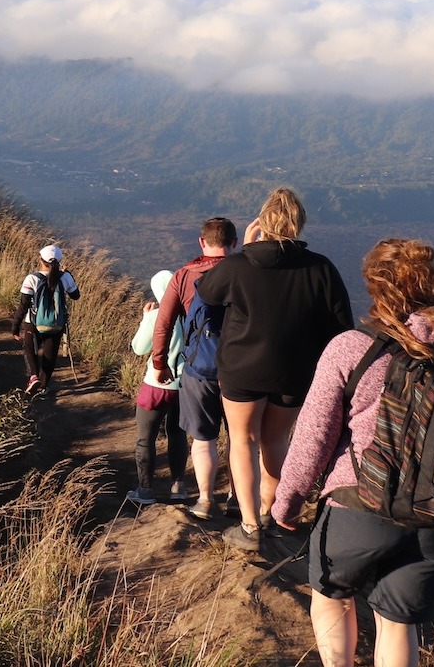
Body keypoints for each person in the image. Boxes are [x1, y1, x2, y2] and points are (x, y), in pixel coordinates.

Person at [272, 238, 434, 667]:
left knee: (331, 597)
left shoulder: (353, 348)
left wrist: (287, 499)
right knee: (398, 625)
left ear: (377, 287)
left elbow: (314, 435)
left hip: (360, 509)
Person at [197, 188, 353, 553]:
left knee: (242, 440)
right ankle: (271, 514)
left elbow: (207, 292)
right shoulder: (321, 268)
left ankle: (249, 528)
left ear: (262, 221)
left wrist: (245, 250)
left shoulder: (238, 265)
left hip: (241, 370)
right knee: (276, 441)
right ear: (299, 223)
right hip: (295, 373)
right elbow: (342, 327)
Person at [150, 216, 238, 518]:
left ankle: (205, 500)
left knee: (204, 439)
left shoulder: (185, 275)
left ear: (202, 242)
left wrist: (159, 362)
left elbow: (163, 324)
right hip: (240, 370)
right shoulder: (246, 273)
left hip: (199, 369)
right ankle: (237, 498)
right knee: (240, 439)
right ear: (234, 243)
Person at [128, 269, 188, 505]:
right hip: (184, 386)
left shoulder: (156, 316)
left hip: (155, 384)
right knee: (178, 434)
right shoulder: (189, 314)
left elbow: (139, 348)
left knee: (145, 438)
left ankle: (145, 490)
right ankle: (179, 488)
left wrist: (145, 318)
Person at [10, 244, 80, 395]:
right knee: (50, 356)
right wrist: (68, 273)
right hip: (57, 324)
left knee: (29, 349)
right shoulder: (65, 277)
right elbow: (76, 296)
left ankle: (33, 377)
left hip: (33, 323)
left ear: (40, 260)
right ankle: (42, 387)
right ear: (59, 261)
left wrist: (15, 327)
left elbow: (23, 305)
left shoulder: (32, 279)